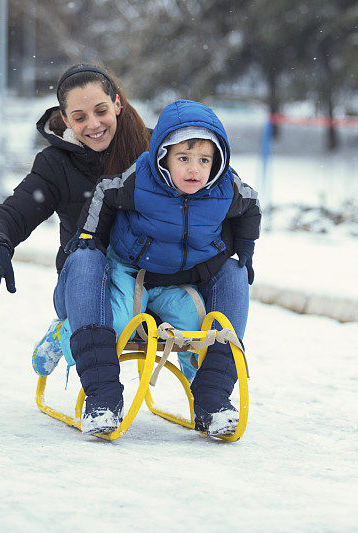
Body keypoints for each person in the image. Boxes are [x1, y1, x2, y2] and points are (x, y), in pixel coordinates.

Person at [0, 64, 253, 436]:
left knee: (232, 272)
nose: (93, 124)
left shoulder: (159, 150)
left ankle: (214, 396)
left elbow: (218, 197)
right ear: (65, 118)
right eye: (79, 116)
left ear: (117, 103)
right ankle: (90, 374)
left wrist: (238, 248)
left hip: (166, 280)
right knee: (86, 256)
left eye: (100, 110)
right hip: (93, 287)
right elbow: (13, 212)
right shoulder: (56, 165)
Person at [67, 99, 260, 435]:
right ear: (163, 157)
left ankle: (209, 398)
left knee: (196, 327)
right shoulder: (142, 178)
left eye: (204, 160)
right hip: (133, 270)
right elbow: (106, 192)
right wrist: (89, 235)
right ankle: (102, 399)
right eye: (183, 159)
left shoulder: (225, 186)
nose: (194, 170)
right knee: (120, 320)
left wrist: (245, 249)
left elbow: (252, 206)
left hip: (180, 282)